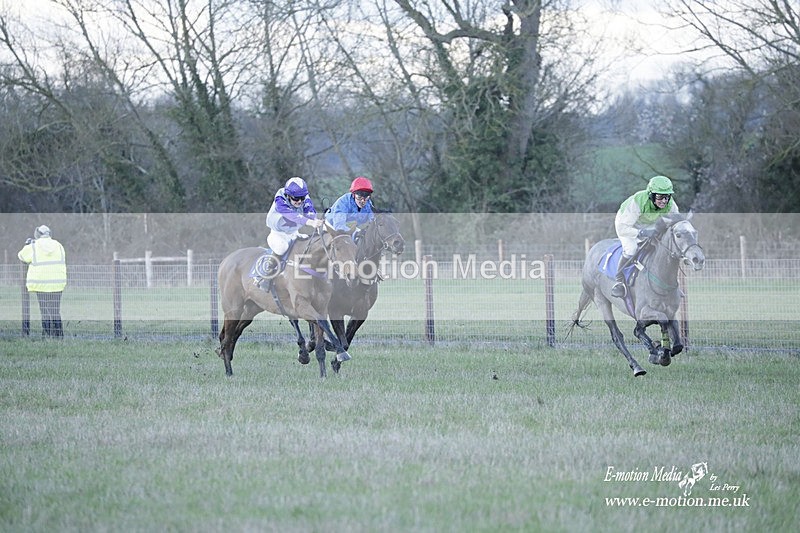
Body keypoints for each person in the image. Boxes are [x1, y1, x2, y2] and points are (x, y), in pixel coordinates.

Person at [611, 175, 680, 298]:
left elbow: (675, 223)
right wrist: (641, 233)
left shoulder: (671, 204)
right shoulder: (638, 202)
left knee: (662, 248)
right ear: (651, 195)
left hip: (648, 225)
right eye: (660, 196)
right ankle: (619, 281)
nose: (664, 201)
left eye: (667, 196)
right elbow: (623, 228)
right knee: (631, 249)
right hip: (627, 224)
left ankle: (669, 284)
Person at [262, 177, 324, 279]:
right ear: (288, 195)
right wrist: (310, 222)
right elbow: (292, 215)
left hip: (294, 233)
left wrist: (316, 221)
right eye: (296, 198)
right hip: (278, 234)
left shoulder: (304, 196)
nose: (299, 201)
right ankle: (266, 273)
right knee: (282, 248)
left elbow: (309, 210)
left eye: (302, 198)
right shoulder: (280, 199)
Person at [17, 225, 67, 338]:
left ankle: (47, 335)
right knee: (55, 310)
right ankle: (59, 335)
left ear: (38, 234)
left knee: (44, 310)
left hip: (41, 283)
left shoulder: (34, 246)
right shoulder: (58, 245)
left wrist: (27, 245)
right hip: (57, 283)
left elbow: (21, 256)